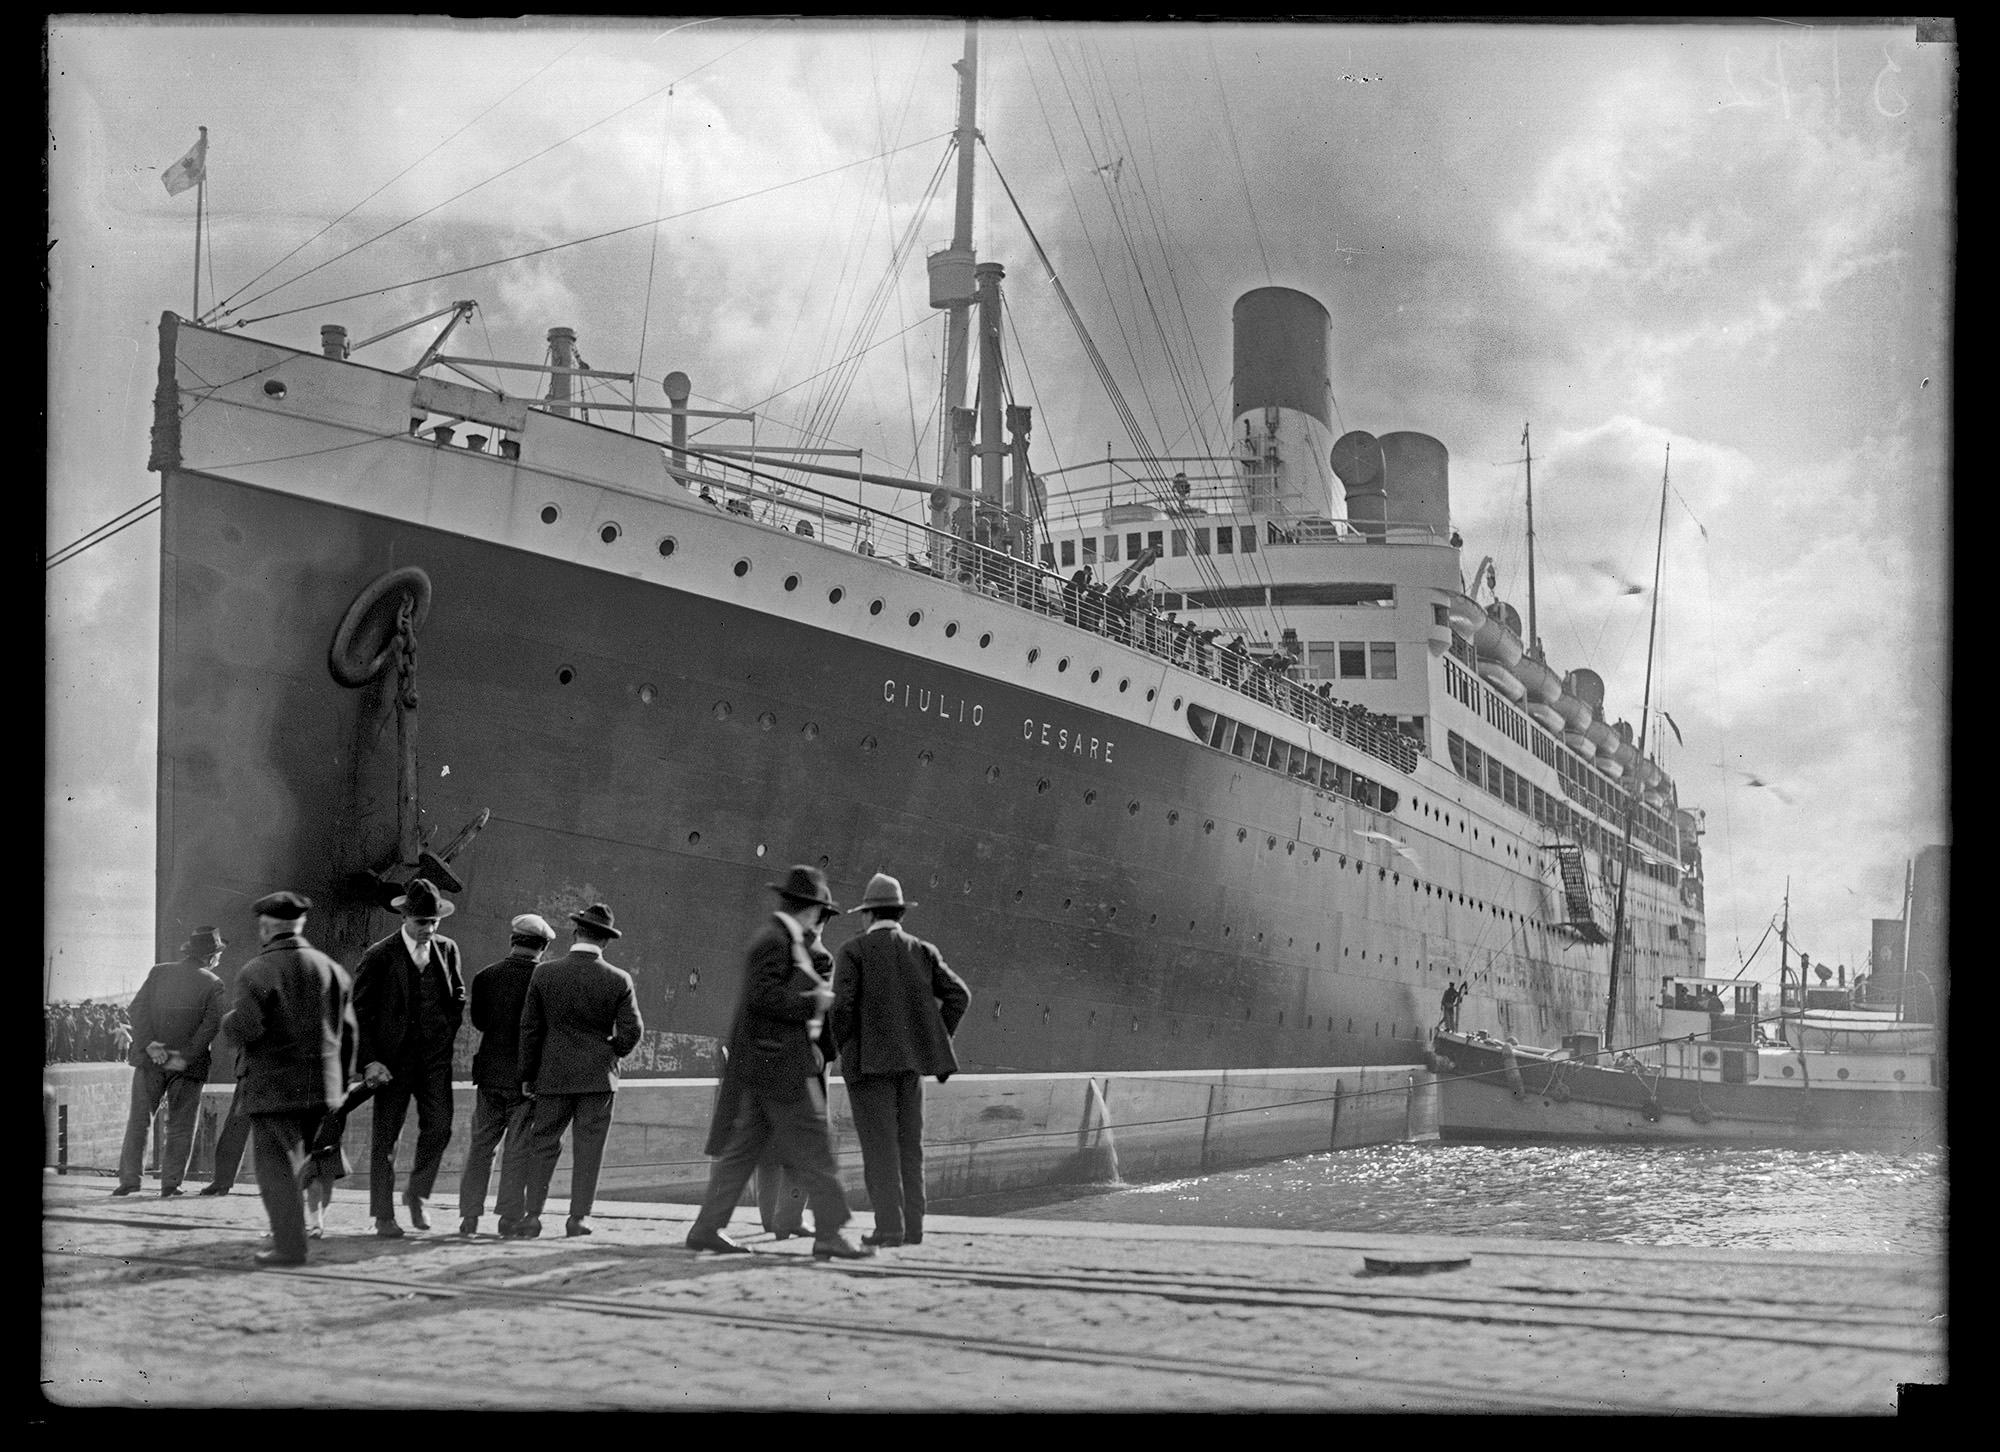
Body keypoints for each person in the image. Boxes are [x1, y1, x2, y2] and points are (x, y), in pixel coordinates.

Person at [685, 866, 869, 1260]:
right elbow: (762, 997)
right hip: (780, 1066)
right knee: (816, 1144)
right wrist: (813, 1003)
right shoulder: (777, 942)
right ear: (811, 909)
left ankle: (706, 1228)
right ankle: (830, 1234)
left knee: (741, 1152)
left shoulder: (778, 938)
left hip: (762, 1066)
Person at [830, 873, 970, 1248]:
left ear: (867, 915)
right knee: (911, 1148)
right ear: (899, 914)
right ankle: (913, 1229)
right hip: (911, 1071)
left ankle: (888, 1228)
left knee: (880, 1151)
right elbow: (959, 996)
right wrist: (933, 1041)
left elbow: (841, 1008)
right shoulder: (922, 951)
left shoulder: (853, 952)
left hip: (868, 1070)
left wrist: (844, 1047)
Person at [224, 892, 357, 1268]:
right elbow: (349, 1032)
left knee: (275, 1168)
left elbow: (247, 1027)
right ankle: (310, 1228)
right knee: (316, 1160)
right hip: (324, 1088)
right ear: (300, 925)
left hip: (274, 1089)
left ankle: (289, 1246)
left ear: (266, 927)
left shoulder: (256, 971)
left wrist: (227, 1023)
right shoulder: (331, 968)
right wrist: (341, 1085)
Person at [514, 903, 644, 1238]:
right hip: (597, 1078)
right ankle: (578, 1219)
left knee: (543, 1144)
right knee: (589, 1148)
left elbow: (529, 1029)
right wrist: (611, 1050)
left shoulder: (544, 973)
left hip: (552, 1074)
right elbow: (632, 1031)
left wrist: (528, 1074)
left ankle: (532, 1216)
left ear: (576, 933)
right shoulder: (619, 979)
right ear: (606, 942)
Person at [351, 878, 465, 1237]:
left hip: (433, 1060)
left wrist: (445, 1034)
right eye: (422, 923)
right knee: (386, 1137)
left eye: (434, 923)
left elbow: (457, 995)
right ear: (405, 919)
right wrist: (370, 1060)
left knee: (441, 1125)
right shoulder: (379, 955)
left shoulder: (447, 949)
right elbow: (358, 1013)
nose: (428, 930)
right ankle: (384, 1215)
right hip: (391, 1062)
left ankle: (416, 1193)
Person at [458, 913, 557, 1237]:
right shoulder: (544, 980)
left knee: (481, 1146)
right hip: (524, 1079)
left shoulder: (486, 976)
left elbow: (481, 1023)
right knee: (517, 1149)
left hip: (488, 1076)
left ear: (513, 941)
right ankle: (508, 1217)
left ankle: (469, 1215)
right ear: (541, 947)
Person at [112, 927, 228, 1198]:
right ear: (211, 957)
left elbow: (136, 1008)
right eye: (218, 954)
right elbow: (210, 1026)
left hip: (150, 1060)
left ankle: (129, 1181)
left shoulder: (158, 971)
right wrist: (184, 1057)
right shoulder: (213, 983)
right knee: (180, 1126)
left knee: (139, 1121)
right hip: (187, 1067)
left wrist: (150, 1044)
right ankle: (170, 1184)